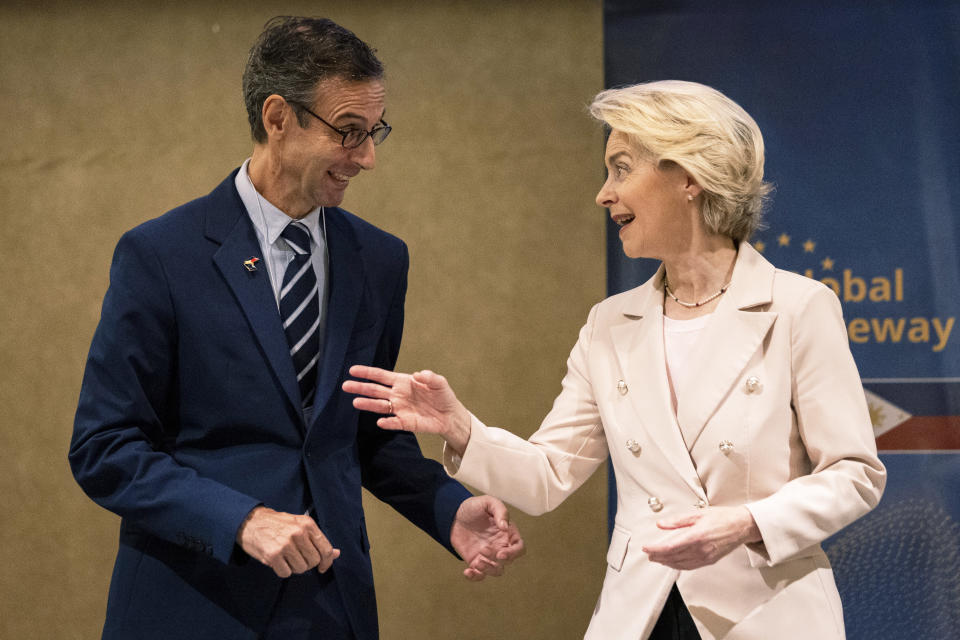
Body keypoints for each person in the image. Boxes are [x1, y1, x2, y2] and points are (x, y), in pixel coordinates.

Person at [343, 80, 886, 640]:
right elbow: (547, 476)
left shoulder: (799, 308)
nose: (604, 194)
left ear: (690, 177)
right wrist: (460, 428)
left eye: (622, 168)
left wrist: (746, 523)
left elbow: (853, 474)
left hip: (767, 616)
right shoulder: (610, 324)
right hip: (640, 616)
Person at [69, 16, 523, 640]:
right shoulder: (160, 255)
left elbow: (364, 433)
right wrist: (242, 519)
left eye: (374, 133)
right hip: (193, 604)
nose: (367, 158)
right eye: (349, 132)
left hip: (331, 609)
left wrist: (448, 507)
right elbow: (105, 447)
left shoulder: (381, 259)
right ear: (278, 117)